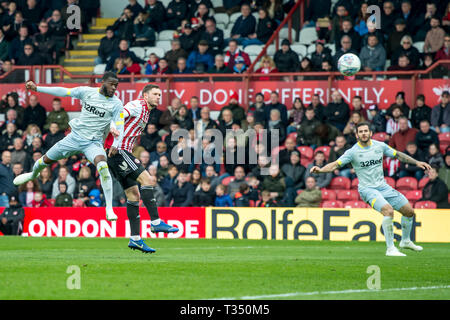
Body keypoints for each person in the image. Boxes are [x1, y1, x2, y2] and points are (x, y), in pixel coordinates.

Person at [13, 73, 125, 223]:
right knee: (44, 160)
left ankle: (109, 208)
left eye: (116, 86)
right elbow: (64, 91)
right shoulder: (87, 92)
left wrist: (116, 144)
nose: (114, 88)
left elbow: (120, 125)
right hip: (74, 138)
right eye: (111, 84)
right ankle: (33, 175)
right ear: (102, 82)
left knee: (103, 166)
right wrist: (38, 88)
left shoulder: (116, 103)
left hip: (93, 143)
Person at [310, 122, 431, 256]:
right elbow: (335, 165)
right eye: (360, 132)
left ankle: (406, 241)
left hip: (383, 187)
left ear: (370, 133)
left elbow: (398, 155)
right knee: (388, 210)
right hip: (367, 190)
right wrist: (320, 170)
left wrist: (417, 162)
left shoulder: (380, 146)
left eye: (365, 131)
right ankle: (390, 248)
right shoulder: (352, 152)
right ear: (357, 135)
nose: (363, 133)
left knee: (409, 212)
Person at [105, 84, 179, 253]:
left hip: (119, 152)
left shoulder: (147, 111)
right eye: (155, 94)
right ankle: (155, 222)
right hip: (119, 151)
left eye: (160, 95)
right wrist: (112, 134)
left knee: (133, 195)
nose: (158, 97)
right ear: (145, 95)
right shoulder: (137, 105)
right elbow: (116, 116)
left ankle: (136, 239)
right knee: (147, 179)